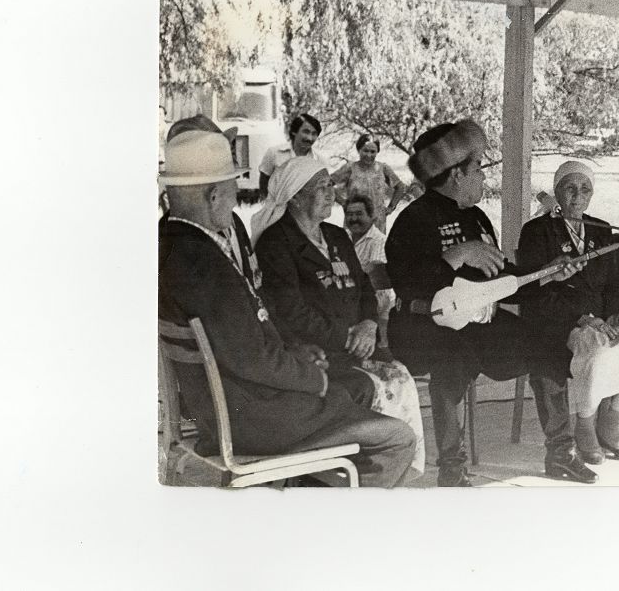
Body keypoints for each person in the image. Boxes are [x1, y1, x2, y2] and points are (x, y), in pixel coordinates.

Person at [158, 131, 416, 487]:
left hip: (228, 409)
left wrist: (294, 352)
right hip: (253, 419)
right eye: (234, 188)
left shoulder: (173, 246)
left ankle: (310, 493)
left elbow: (243, 341)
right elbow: (253, 359)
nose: (237, 199)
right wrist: (315, 379)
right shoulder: (203, 263)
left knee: (354, 390)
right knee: (396, 438)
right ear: (213, 196)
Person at [385, 121, 596, 486]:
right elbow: (407, 282)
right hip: (423, 326)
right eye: (478, 167)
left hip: (479, 323)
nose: (483, 176)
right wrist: (457, 255)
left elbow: (503, 281)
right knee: (453, 359)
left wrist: (547, 274)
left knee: (547, 345)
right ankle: (452, 469)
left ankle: (561, 455)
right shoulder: (413, 219)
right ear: (456, 175)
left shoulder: (477, 217)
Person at [252, 157, 426, 477]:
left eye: (330, 184)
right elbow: (291, 312)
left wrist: (369, 324)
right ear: (296, 197)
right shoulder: (276, 244)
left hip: (355, 347)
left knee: (400, 376)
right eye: (321, 187)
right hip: (314, 355)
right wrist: (346, 337)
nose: (331, 192)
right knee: (374, 385)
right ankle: (365, 471)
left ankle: (393, 471)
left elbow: (364, 288)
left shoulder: (336, 236)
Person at [518, 161, 619, 464]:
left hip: (602, 320)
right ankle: (585, 426)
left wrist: (616, 315)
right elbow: (533, 289)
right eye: (570, 188)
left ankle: (610, 425)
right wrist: (583, 318)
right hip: (559, 320)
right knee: (599, 358)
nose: (578, 195)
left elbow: (613, 283)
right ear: (557, 191)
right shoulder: (537, 231)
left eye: (585, 189)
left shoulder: (601, 229)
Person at [344, 194, 395, 350]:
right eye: (349, 214)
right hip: (350, 300)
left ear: (371, 216)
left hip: (374, 307)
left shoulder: (379, 242)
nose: (353, 219)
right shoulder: (342, 238)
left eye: (359, 214)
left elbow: (380, 285)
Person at [332, 134, 407, 233]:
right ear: (359, 150)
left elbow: (400, 187)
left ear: (377, 152)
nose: (369, 155)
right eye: (365, 151)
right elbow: (326, 184)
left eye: (372, 151)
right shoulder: (350, 168)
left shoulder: (383, 168)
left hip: (377, 221)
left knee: (376, 242)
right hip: (355, 219)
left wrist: (391, 207)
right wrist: (343, 202)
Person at [258, 113, 323, 198]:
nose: (309, 138)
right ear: (294, 131)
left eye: (314, 134)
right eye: (306, 132)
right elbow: (264, 183)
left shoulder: (319, 160)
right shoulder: (274, 153)